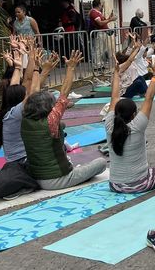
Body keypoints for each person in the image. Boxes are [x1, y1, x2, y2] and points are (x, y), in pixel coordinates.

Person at [21, 51, 107, 189]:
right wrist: (71, 68)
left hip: (35, 177)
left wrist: (44, 70)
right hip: (57, 179)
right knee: (101, 163)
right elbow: (64, 94)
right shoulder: (51, 121)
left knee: (62, 127)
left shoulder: (25, 118)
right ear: (48, 107)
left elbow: (32, 94)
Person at [105, 51, 155, 193]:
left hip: (115, 185)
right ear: (133, 115)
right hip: (139, 184)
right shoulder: (137, 126)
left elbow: (114, 98)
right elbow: (148, 98)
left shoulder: (109, 125)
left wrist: (116, 74)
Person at [0, 44, 60, 163]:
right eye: (25, 94)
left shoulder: (9, 107)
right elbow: (33, 92)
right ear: (20, 98)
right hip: (21, 162)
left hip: (18, 160)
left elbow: (18, 85)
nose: (27, 94)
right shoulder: (15, 114)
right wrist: (38, 68)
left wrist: (18, 67)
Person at [89, 0, 116, 72]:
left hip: (103, 32)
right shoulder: (94, 12)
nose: (102, 6)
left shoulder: (99, 13)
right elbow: (100, 23)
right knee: (98, 49)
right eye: (101, 4)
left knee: (103, 49)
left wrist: (109, 18)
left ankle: (101, 64)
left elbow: (104, 21)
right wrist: (110, 20)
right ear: (98, 5)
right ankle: (97, 65)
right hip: (99, 33)